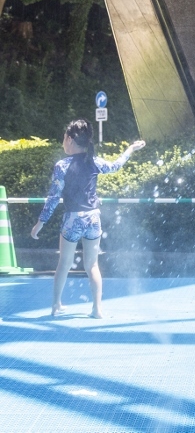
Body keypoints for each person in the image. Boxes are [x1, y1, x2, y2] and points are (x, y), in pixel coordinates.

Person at [29, 119, 145, 318]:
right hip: (93, 218)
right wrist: (130, 150)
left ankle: (56, 304)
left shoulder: (62, 166)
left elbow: (53, 197)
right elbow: (116, 165)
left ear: (70, 139)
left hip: (72, 220)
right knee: (92, 265)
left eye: (64, 138)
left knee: (64, 263)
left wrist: (40, 223)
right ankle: (97, 309)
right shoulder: (94, 161)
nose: (62, 142)